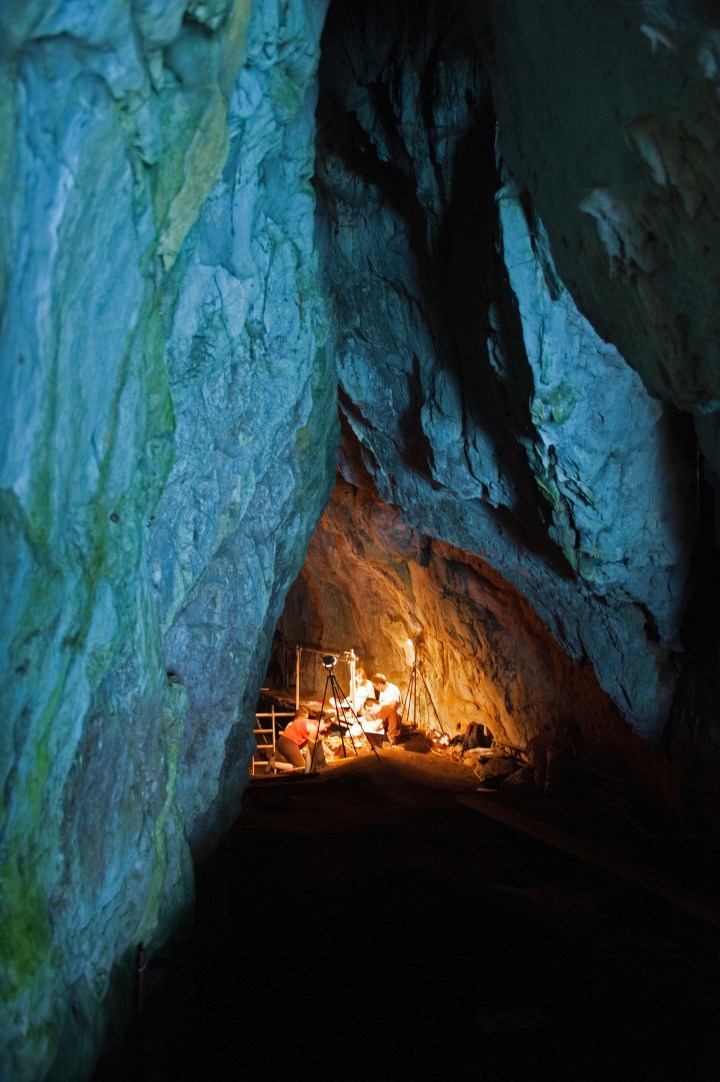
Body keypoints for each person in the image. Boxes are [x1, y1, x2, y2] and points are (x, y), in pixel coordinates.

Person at [275, 708, 329, 773]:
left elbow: (319, 742)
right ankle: (274, 764)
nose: (326, 730)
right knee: (303, 767)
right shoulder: (314, 728)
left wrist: (330, 754)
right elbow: (310, 751)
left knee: (301, 767)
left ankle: (277, 766)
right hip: (287, 742)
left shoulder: (311, 723)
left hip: (285, 742)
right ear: (321, 721)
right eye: (326, 727)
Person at [371, 673, 403, 746]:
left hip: (395, 717)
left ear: (380, 684)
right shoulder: (382, 691)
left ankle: (392, 736)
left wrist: (381, 709)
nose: (375, 688)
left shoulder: (392, 690)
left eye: (375, 686)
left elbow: (392, 708)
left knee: (385, 709)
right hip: (385, 717)